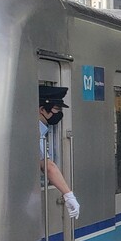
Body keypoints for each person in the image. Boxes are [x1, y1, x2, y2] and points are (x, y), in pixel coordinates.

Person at [38, 84, 80, 220]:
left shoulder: (41, 131)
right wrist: (68, 195)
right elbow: (48, 166)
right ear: (42, 109)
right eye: (56, 109)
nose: (59, 113)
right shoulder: (33, 131)